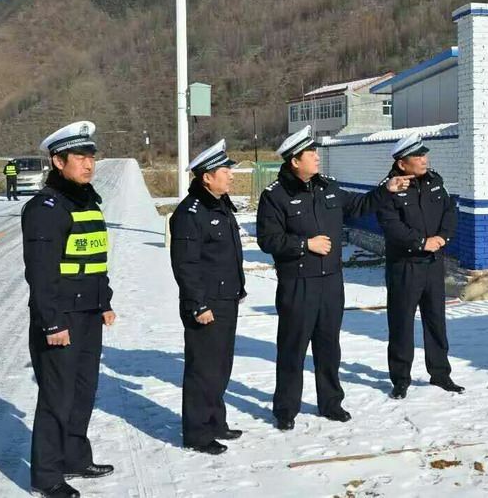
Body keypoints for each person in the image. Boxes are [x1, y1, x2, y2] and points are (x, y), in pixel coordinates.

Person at [256, 125, 412, 430]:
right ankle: (286, 409)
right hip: (298, 283)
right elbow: (268, 239)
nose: (317, 157)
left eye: (316, 152)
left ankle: (330, 403)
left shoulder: (328, 187)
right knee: (292, 349)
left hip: (331, 282)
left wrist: (387, 189)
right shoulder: (275, 196)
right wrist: (306, 244)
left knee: (329, 346)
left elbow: (359, 206)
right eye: (311, 154)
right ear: (295, 161)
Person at [23, 121, 116, 498]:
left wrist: (104, 302)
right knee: (56, 397)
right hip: (61, 318)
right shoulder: (45, 208)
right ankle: (46, 476)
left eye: (91, 156)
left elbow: (95, 259)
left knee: (83, 391)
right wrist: (52, 324)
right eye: (79, 157)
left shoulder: (87, 202)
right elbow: (41, 274)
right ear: (58, 162)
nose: (88, 164)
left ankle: (75, 457)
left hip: (89, 314)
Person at [169, 139, 246, 455]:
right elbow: (185, 265)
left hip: (225, 299)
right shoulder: (191, 213)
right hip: (206, 305)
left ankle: (215, 422)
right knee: (203, 369)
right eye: (225, 171)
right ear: (207, 177)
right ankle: (197, 433)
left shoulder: (220, 205)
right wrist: (197, 303)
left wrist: (238, 288)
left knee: (221, 366)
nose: (231, 176)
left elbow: (227, 255)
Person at [376, 133, 464, 399]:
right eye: (418, 156)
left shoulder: (435, 182)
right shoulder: (389, 189)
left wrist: (442, 238)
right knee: (401, 324)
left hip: (433, 264)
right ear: (402, 163)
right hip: (405, 266)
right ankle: (400, 379)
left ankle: (440, 374)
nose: (424, 160)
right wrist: (422, 242)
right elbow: (392, 227)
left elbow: (450, 213)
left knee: (436, 320)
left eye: (424, 155)